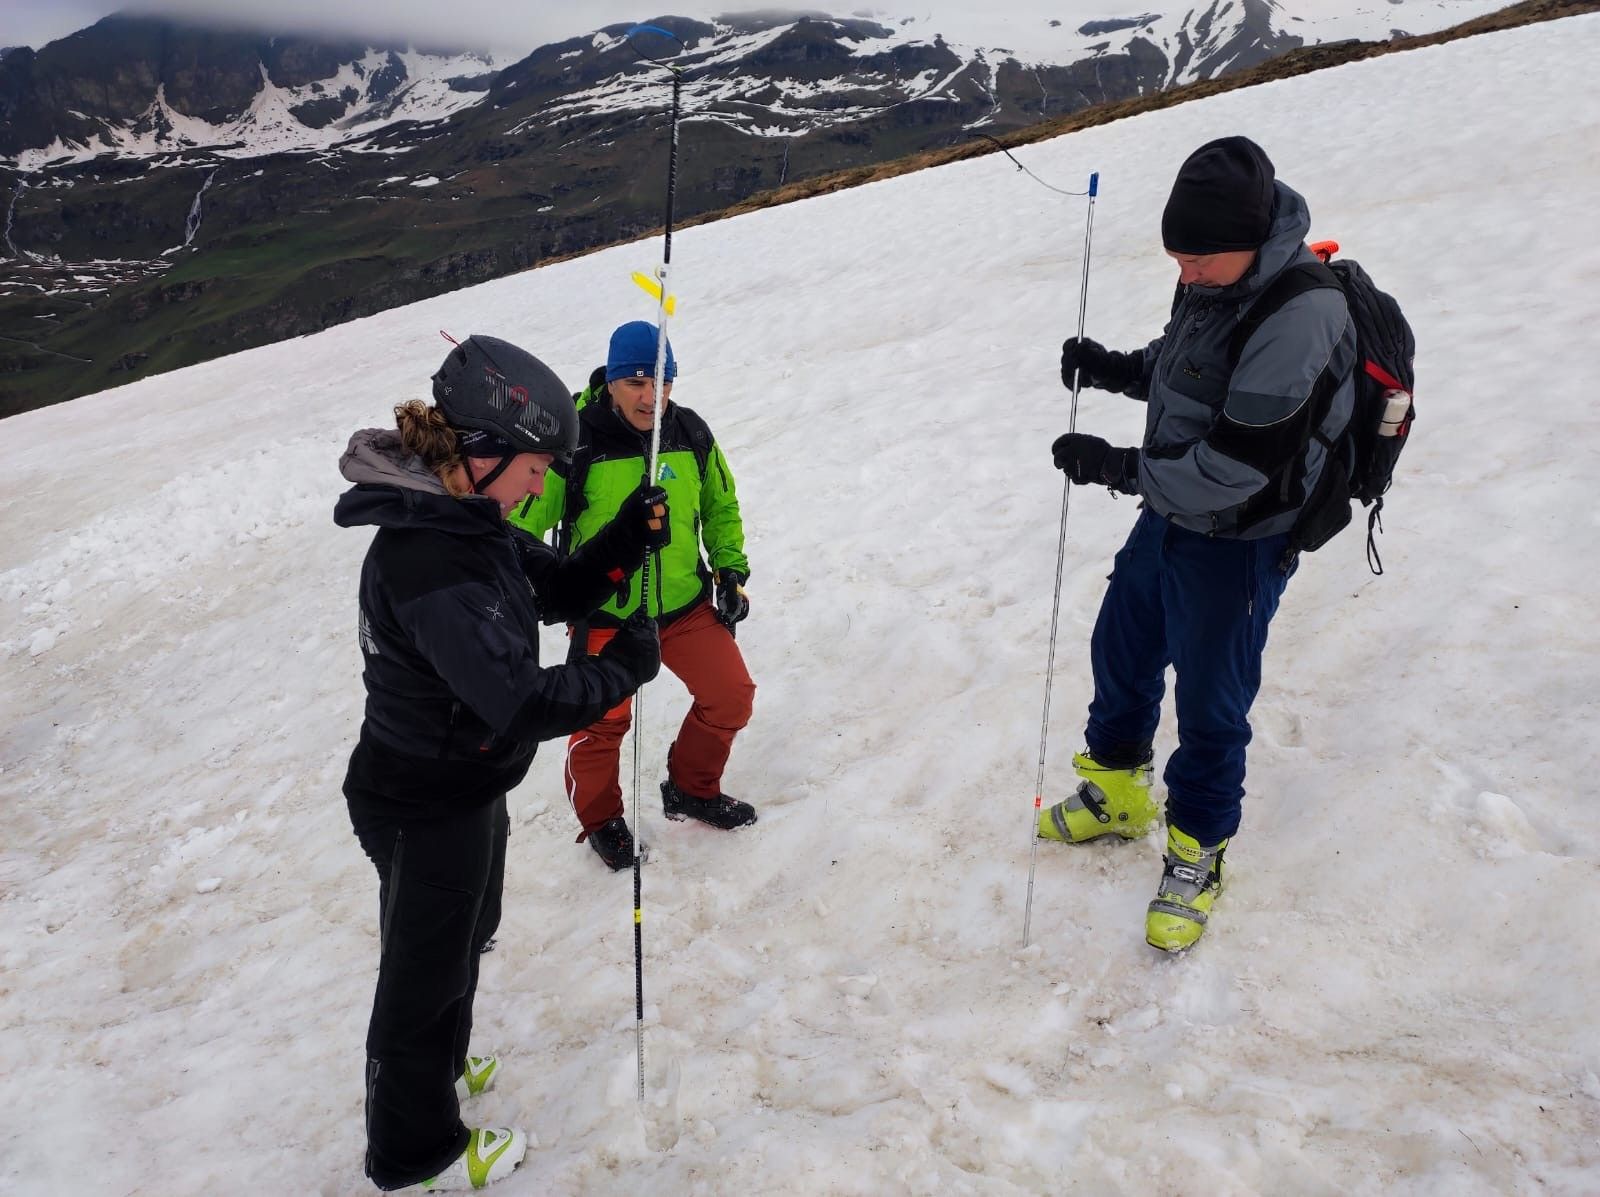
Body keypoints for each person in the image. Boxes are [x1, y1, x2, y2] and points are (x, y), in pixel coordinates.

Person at [334, 333, 670, 1190]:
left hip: (468, 779)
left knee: (463, 938)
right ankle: (416, 1155)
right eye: (530, 468)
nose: (538, 485)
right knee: (422, 974)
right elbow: (518, 698)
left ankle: (441, 1070)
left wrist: (625, 536)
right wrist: (620, 671)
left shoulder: (469, 519)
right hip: (422, 797)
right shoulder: (427, 560)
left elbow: (553, 587)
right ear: (478, 454)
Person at [1040, 136, 1356, 952]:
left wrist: (1114, 466)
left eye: (1198, 259)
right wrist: (1114, 369)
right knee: (1123, 647)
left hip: (1240, 539)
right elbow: (1190, 366)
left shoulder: (1302, 312)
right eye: (1175, 258)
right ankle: (1116, 795)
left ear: (1251, 240)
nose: (1185, 273)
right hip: (1172, 517)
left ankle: (1197, 850)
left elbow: (1238, 468)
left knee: (1212, 703)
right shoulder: (1218, 273)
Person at [509, 320, 757, 871]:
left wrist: (730, 572)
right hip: (605, 613)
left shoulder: (690, 432)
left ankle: (692, 788)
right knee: (600, 725)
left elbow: (720, 506)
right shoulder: (576, 443)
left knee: (731, 694)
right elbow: (521, 520)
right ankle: (601, 823)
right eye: (637, 382)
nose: (652, 396)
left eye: (663, 380)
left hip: (683, 604)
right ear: (613, 382)